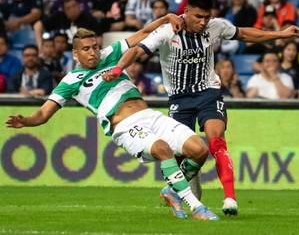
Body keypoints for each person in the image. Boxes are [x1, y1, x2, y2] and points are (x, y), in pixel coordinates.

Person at [102, 0, 299, 215]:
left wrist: (282, 34)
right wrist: (119, 68)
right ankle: (188, 186)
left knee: (216, 140)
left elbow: (246, 35)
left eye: (207, 17)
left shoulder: (215, 26)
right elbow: (137, 50)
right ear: (186, 12)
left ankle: (230, 199)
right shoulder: (167, 31)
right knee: (182, 152)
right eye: (198, 17)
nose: (203, 22)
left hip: (208, 92)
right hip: (179, 98)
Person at [5, 17, 221, 221]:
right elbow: (43, 114)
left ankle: (171, 191)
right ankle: (197, 208)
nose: (93, 53)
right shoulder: (70, 81)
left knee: (199, 149)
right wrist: (25, 121)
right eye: (86, 49)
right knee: (163, 149)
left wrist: (167, 18)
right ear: (75, 53)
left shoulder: (110, 54)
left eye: (95, 47)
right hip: (125, 126)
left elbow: (145, 32)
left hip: (149, 115)